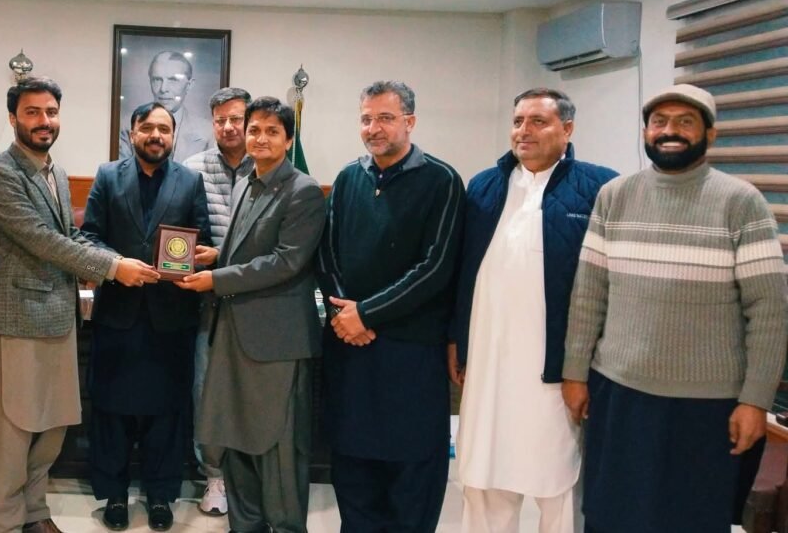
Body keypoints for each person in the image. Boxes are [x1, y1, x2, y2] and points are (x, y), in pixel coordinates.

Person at [562, 84, 788, 533]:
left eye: (686, 122)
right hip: (619, 393)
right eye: (659, 122)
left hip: (707, 405)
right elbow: (589, 292)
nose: (671, 131)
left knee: (691, 519)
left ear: (710, 134)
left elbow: (769, 310)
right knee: (609, 517)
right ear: (646, 131)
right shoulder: (615, 195)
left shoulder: (741, 202)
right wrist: (574, 373)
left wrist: (755, 400)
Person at [0, 76, 160, 533]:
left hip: (59, 319)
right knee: (11, 433)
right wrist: (114, 267)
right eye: (32, 112)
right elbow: (43, 241)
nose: (44, 121)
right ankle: (7, 521)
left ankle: (35, 511)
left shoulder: (53, 170)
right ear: (13, 118)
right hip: (17, 320)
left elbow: (71, 236)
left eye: (51, 112)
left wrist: (119, 260)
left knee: (51, 430)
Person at [450, 88, 617, 533]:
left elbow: (610, 283)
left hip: (556, 368)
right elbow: (462, 271)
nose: (524, 131)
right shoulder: (484, 185)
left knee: (556, 478)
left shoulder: (600, 187)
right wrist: (456, 340)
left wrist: (586, 366)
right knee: (484, 473)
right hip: (488, 362)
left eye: (538, 122)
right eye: (518, 121)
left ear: (567, 129)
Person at [317, 80, 465, 533]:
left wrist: (366, 314)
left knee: (411, 477)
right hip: (350, 350)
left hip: (410, 354)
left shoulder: (441, 180)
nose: (373, 128)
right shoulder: (348, 178)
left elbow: (435, 267)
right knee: (353, 471)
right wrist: (344, 316)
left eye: (385, 118)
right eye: (366, 119)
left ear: (410, 121)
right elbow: (326, 255)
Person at [180, 96, 325, 533]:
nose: (260, 138)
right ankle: (245, 526)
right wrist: (216, 256)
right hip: (234, 333)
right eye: (254, 130)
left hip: (276, 342)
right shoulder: (247, 182)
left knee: (277, 449)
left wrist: (216, 279)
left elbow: (286, 262)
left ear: (289, 139)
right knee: (236, 441)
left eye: (271, 131)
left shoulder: (302, 190)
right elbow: (247, 246)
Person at [80, 102, 212, 531]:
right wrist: (117, 265)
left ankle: (160, 496)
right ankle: (115, 495)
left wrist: (196, 259)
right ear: (132, 132)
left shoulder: (190, 181)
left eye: (164, 129)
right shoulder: (107, 176)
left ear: (173, 136)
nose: (156, 135)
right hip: (118, 314)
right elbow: (88, 236)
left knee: (166, 414)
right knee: (111, 413)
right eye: (148, 127)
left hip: (171, 318)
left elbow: (202, 239)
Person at [181, 86, 254, 516]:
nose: (228, 127)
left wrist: (221, 257)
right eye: (220, 120)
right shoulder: (192, 169)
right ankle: (214, 475)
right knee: (206, 391)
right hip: (207, 302)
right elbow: (178, 235)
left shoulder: (268, 166)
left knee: (251, 392)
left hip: (256, 300)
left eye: (236, 119)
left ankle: (249, 475)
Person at [119, 51, 215, 162]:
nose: (163, 89)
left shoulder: (207, 131)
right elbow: (123, 169)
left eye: (173, 80)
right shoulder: (126, 126)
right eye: (157, 80)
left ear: (189, 85)